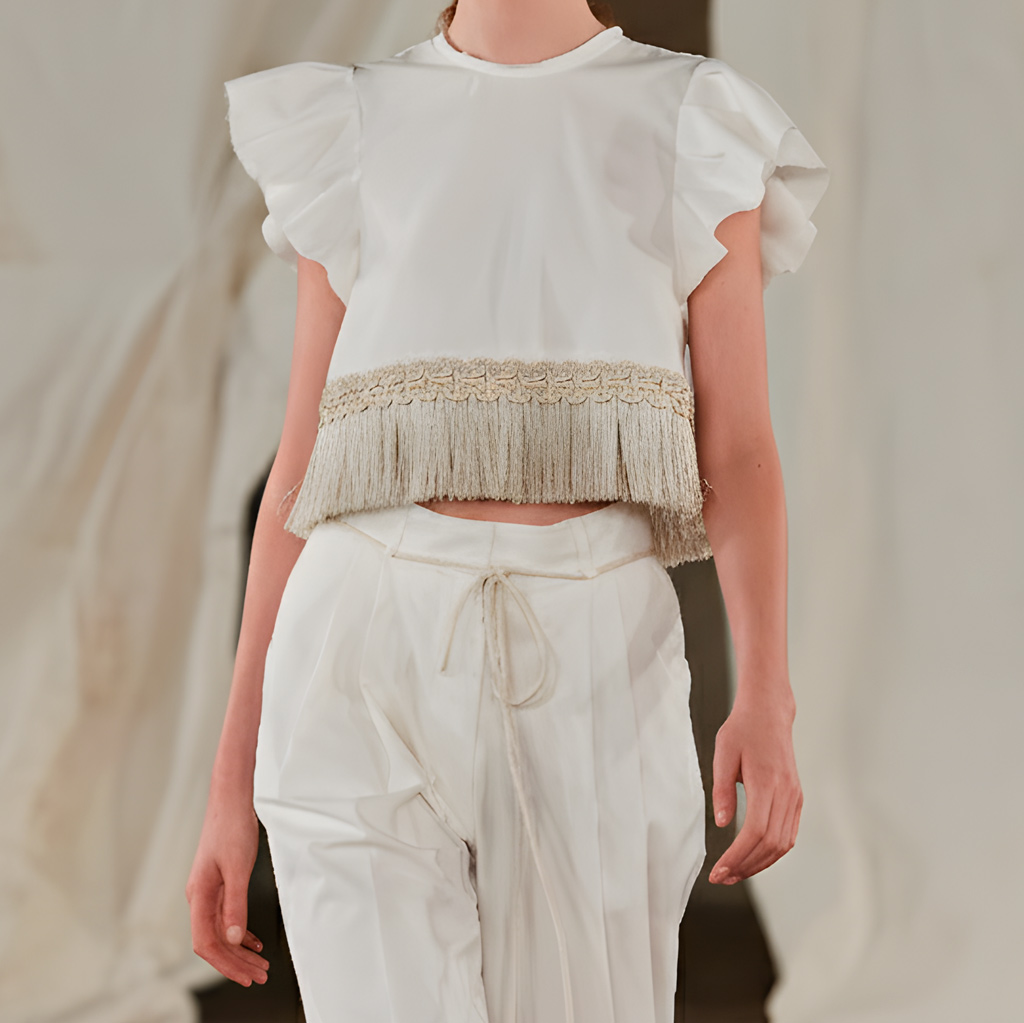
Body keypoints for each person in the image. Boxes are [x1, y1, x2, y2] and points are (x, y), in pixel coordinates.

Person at [187, 0, 829, 1019]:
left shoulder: (694, 119)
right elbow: (302, 472)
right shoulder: (349, 124)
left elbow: (738, 450)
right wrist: (228, 784)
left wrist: (767, 695)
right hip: (356, 645)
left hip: (594, 653)